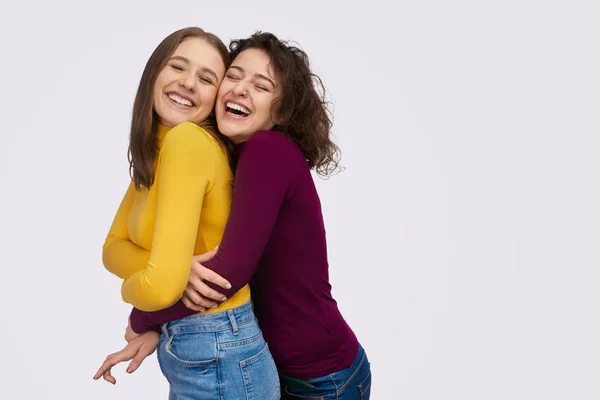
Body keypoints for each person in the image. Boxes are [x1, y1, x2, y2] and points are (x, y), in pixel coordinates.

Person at [97, 31, 372, 399]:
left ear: (281, 110)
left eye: (261, 86)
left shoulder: (267, 149)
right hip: (272, 362)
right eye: (234, 75)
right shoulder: (224, 153)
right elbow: (116, 248)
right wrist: (169, 285)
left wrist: (142, 319)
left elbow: (225, 275)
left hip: (322, 375)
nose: (241, 89)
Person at [93, 27, 280, 400]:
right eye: (178, 66)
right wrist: (171, 268)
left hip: (218, 348)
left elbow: (160, 285)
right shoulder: (158, 151)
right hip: (207, 347)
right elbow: (111, 248)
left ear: (216, 97)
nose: (189, 83)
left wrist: (131, 290)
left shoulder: (188, 142)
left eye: (207, 78)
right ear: (155, 74)